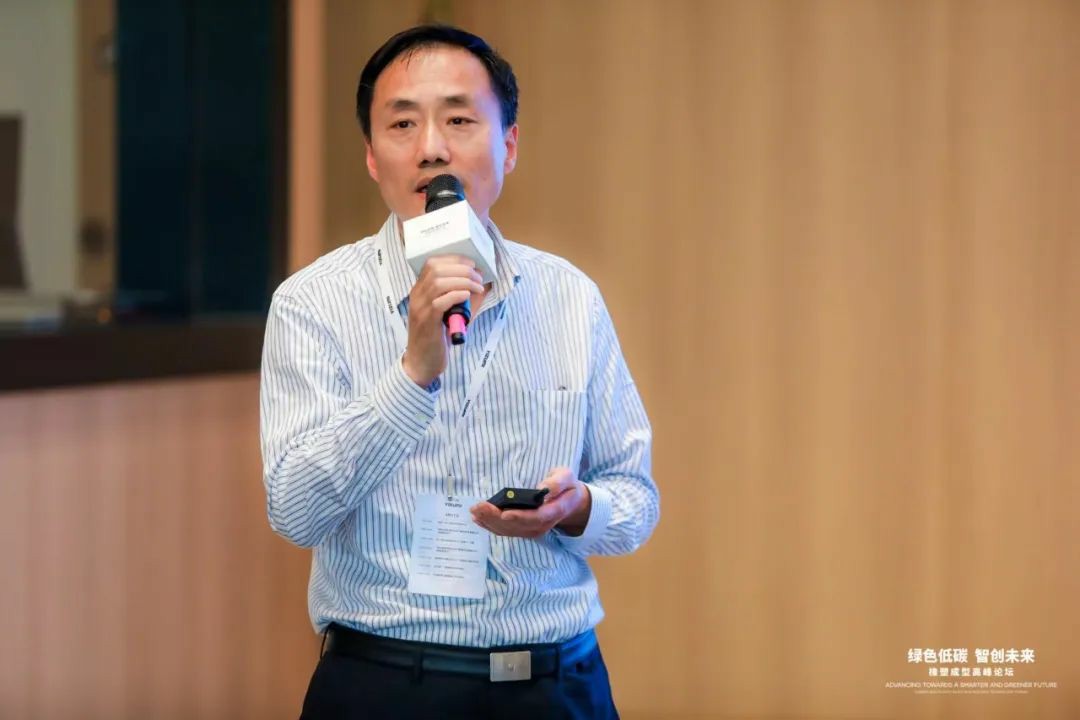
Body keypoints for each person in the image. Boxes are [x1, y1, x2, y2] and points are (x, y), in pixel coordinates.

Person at [259, 24, 659, 720]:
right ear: (372, 156)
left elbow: (636, 499)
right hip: (386, 684)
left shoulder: (569, 298)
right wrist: (411, 374)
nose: (432, 147)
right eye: (402, 124)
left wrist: (576, 510)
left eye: (459, 120)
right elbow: (295, 511)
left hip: (556, 684)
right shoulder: (312, 303)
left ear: (509, 145)